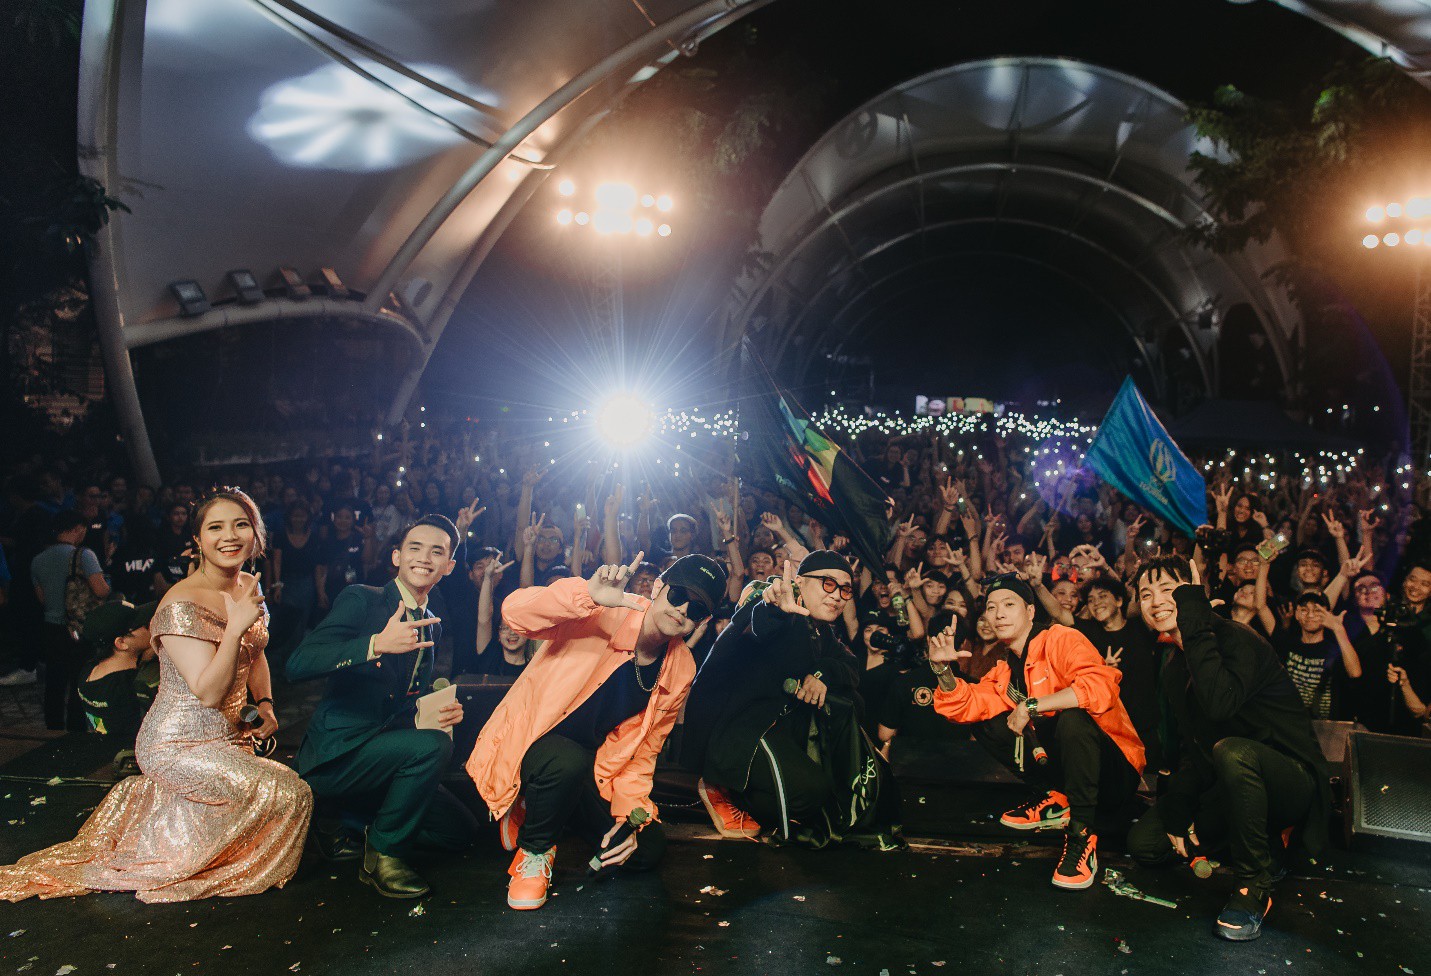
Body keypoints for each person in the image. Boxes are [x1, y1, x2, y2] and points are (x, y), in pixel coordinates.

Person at [0, 488, 311, 903]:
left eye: (241, 525)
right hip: (177, 744)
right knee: (291, 794)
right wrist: (235, 628)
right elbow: (208, 692)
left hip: (232, 736)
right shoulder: (181, 604)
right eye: (216, 527)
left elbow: (257, 653)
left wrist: (266, 704)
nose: (230, 536)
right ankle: (201, 862)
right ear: (197, 539)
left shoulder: (247, 587)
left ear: (256, 534)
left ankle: (170, 816)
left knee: (269, 797)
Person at [466, 552, 724, 911]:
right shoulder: (603, 609)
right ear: (658, 588)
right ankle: (535, 850)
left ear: (703, 620)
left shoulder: (681, 666)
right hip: (533, 742)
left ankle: (545, 806)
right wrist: (586, 594)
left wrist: (628, 816)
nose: (682, 610)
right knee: (565, 761)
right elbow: (514, 613)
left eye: (696, 609)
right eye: (678, 595)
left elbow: (643, 752)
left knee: (643, 849)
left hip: (592, 766)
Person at [1126, 554, 1330, 942]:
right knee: (1146, 844)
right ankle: (1256, 845)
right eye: (1146, 594)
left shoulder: (1236, 638)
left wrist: (1195, 617)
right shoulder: (1174, 667)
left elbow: (1220, 704)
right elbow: (1193, 749)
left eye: (1169, 589)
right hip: (1228, 784)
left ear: (1192, 594)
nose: (1157, 602)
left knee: (1233, 751)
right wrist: (1179, 805)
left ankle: (1255, 882)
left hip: (1289, 781)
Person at [286, 514, 474, 900]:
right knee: (433, 747)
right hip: (338, 756)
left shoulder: (431, 624)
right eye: (415, 548)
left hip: (382, 755)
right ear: (396, 557)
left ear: (449, 566)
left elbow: (400, 697)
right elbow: (298, 664)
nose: (424, 558)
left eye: (437, 552)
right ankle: (383, 855)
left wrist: (434, 709)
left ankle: (347, 820)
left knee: (459, 832)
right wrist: (374, 645)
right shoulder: (363, 599)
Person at [926, 574, 1145, 891]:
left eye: (1008, 604)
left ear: (1030, 611)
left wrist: (1031, 705)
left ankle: (1081, 835)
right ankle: (1054, 797)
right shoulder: (1006, 669)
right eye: (991, 607)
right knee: (987, 721)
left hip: (1115, 772)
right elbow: (965, 705)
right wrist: (943, 670)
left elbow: (1101, 687)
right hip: (1071, 774)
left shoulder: (1061, 638)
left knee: (1073, 718)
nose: (998, 614)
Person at [682, 552, 900, 851]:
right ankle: (720, 787)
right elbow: (757, 625)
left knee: (825, 795)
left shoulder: (820, 629)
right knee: (810, 793)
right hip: (739, 728)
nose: (837, 595)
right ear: (799, 582)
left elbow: (850, 666)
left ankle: (741, 792)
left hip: (777, 725)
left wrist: (820, 674)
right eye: (827, 584)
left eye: (845, 589)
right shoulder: (775, 604)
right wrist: (773, 607)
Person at [31, 510, 111, 730]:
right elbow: (101, 590)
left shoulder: (38, 560)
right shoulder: (84, 555)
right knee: (79, 679)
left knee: (55, 681)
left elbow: (42, 598)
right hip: (78, 629)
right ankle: (77, 730)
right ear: (78, 529)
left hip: (51, 627)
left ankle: (53, 728)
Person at [77, 600, 159, 748]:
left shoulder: (89, 671)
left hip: (102, 747)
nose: (151, 626)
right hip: (128, 753)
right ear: (121, 643)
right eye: (145, 625)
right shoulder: (131, 686)